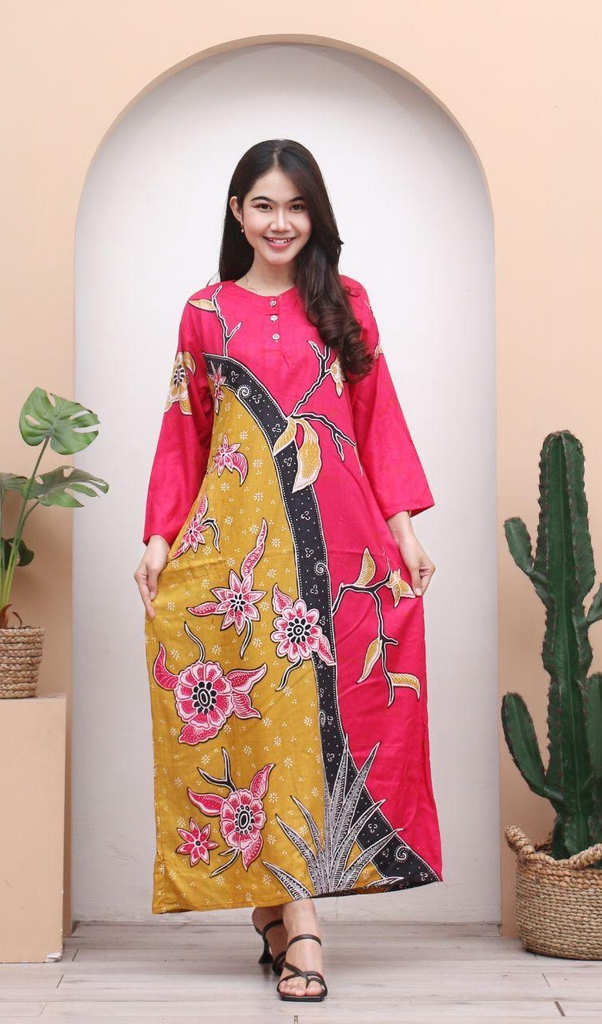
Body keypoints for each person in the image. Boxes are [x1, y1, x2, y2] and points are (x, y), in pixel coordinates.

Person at [134, 139, 442, 1003]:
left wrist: (403, 527)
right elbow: (185, 430)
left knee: (311, 718)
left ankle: (289, 916)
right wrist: (159, 537)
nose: (281, 223)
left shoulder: (346, 302)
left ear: (316, 215)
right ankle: (287, 915)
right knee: (260, 718)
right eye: (264, 205)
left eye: (297, 206)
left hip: (335, 547)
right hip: (237, 556)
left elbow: (376, 416)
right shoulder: (206, 312)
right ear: (238, 213)